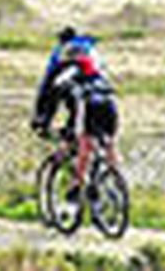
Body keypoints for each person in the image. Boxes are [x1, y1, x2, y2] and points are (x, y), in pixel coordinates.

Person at [45, 35, 119, 202]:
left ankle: (76, 186)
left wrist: (46, 119)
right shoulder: (98, 71)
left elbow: (55, 93)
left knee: (85, 144)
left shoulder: (70, 71)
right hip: (110, 106)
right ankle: (114, 179)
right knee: (108, 144)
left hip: (90, 107)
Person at [31, 26, 94, 137]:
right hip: (85, 79)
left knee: (54, 98)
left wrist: (39, 116)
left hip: (65, 77)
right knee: (76, 103)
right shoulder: (86, 46)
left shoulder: (63, 50)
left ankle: (45, 123)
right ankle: (71, 128)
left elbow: (49, 79)